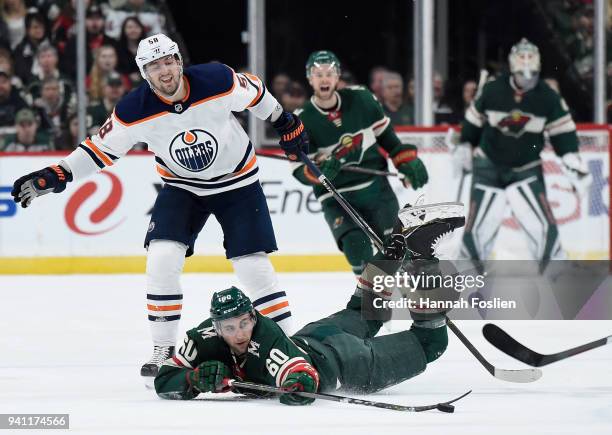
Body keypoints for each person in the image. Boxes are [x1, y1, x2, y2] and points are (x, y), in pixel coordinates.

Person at [10, 33, 309, 382]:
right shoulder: (133, 109)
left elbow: (255, 92)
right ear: (143, 72)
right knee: (162, 258)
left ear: (180, 62)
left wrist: (282, 120)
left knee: (252, 267)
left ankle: (290, 342)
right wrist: (58, 172)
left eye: (168, 61)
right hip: (183, 188)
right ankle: (164, 348)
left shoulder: (216, 80)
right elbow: (99, 150)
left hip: (238, 183)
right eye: (154, 66)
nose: (164, 71)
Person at [154, 207, 463, 403]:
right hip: (318, 334)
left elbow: (303, 378)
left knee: (431, 343)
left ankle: (422, 258)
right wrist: (192, 380)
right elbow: (163, 379)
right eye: (229, 328)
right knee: (364, 311)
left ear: (253, 316)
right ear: (215, 327)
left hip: (345, 361)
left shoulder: (266, 336)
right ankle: (397, 246)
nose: (239, 334)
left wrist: (297, 386)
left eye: (245, 323)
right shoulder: (201, 338)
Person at [458, 38, 592, 268]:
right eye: (523, 75)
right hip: (489, 167)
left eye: (532, 75)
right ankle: (465, 280)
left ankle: (557, 275)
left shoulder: (548, 97)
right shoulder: (492, 90)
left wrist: (572, 159)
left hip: (526, 170)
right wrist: (463, 145)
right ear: (512, 69)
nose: (527, 80)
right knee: (477, 231)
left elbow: (564, 134)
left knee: (544, 229)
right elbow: (472, 124)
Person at [293, 50, 428, 275]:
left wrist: (405, 161)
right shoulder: (301, 120)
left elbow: (388, 139)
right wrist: (319, 171)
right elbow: (299, 170)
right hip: (336, 195)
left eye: (329, 73)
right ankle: (371, 304)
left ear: (337, 77)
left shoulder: (362, 99)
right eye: (318, 74)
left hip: (375, 188)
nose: (324, 79)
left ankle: (420, 303)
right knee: (357, 249)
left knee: (398, 251)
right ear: (309, 79)